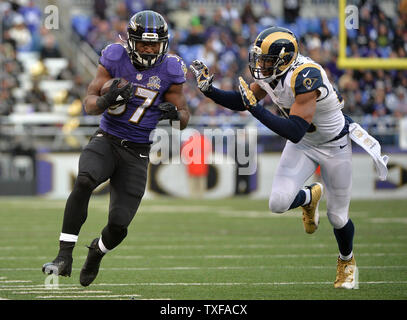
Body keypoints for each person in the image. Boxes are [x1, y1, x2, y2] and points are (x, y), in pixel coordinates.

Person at [190, 26, 388, 289]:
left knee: (338, 217)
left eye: (267, 59)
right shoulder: (272, 73)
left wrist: (255, 109)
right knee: (278, 203)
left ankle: (346, 260)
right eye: (260, 57)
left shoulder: (306, 76)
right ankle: (309, 196)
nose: (261, 64)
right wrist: (209, 90)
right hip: (305, 144)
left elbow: (293, 130)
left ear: (284, 59)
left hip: (333, 145)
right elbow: (244, 100)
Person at [42, 10, 190, 286]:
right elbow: (88, 103)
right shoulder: (114, 56)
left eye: (154, 44)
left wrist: (174, 114)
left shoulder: (171, 69)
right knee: (85, 180)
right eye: (144, 43)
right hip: (107, 139)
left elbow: (184, 116)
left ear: (164, 44)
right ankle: (63, 255)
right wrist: (105, 99)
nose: (148, 49)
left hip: (138, 152)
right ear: (131, 42)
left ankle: (96, 252)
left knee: (119, 226)